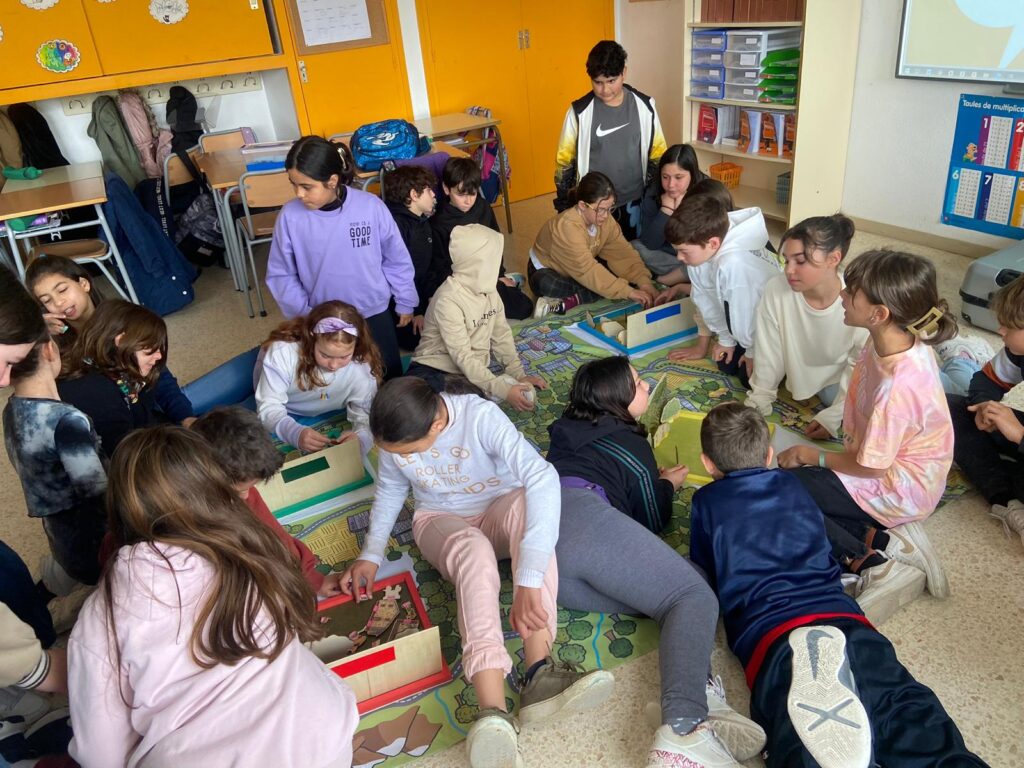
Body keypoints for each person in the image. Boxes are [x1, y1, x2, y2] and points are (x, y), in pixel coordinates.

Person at [690, 402, 986, 768]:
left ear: (707, 463)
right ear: (768, 455)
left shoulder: (704, 502)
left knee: (800, 740)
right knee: (904, 708)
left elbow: (704, 573)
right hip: (844, 617)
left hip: (773, 636)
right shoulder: (792, 483)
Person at [340, 377, 613, 768]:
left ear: (437, 425)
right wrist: (370, 554)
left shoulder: (481, 417)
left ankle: (540, 672)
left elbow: (541, 477)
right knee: (474, 551)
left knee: (528, 508)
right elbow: (389, 491)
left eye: (410, 452)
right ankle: (492, 711)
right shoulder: (396, 435)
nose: (404, 459)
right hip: (441, 519)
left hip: (500, 506)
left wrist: (528, 580)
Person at [67, 426, 359, 767]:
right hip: (324, 733)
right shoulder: (249, 546)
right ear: (215, 488)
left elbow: (100, 754)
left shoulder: (102, 614)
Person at [546, 357, 766, 767]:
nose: (646, 385)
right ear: (618, 398)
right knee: (693, 597)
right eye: (637, 382)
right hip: (578, 526)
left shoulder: (568, 426)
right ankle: (684, 726)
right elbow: (651, 519)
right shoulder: (629, 444)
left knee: (687, 586)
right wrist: (665, 483)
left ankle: (697, 689)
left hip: (550, 570)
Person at [777, 249, 955, 609]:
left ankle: (870, 563)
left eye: (851, 292)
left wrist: (811, 455)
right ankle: (888, 540)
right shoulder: (892, 340)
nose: (842, 294)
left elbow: (872, 467)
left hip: (897, 487)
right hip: (894, 470)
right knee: (800, 491)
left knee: (779, 492)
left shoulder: (897, 387)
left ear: (879, 314)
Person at [265, 135, 418, 380]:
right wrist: (306, 315)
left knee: (388, 378)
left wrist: (405, 299)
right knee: (334, 380)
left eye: (307, 186)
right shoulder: (290, 216)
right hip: (322, 320)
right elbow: (281, 274)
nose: (299, 194)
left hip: (373, 313)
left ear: (332, 181)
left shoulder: (371, 206)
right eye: (294, 184)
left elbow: (396, 258)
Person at [26, 255, 195, 426]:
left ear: (84, 284)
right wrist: (38, 337)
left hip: (149, 411)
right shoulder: (52, 347)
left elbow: (159, 377)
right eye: (47, 300)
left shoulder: (123, 320)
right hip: (120, 428)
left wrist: (185, 417)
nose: (58, 302)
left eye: (62, 290)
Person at [191, 406, 343, 596]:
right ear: (204, 476)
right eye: (240, 490)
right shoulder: (190, 510)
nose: (246, 496)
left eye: (251, 487)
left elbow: (274, 535)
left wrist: (310, 577)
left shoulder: (235, 483)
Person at [743, 214, 868, 438]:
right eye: (786, 260)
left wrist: (833, 416)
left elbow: (859, 366)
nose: (789, 270)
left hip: (840, 377)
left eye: (800, 261)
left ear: (834, 259)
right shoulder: (776, 289)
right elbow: (769, 351)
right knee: (746, 375)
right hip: (805, 377)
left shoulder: (857, 300)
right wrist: (758, 402)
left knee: (877, 403)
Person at [4, 329, 107, 592]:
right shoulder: (66, 420)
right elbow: (98, 494)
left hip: (59, 534)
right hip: (95, 543)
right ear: (50, 349)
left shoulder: (11, 410)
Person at [407, 224, 547, 412]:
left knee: (473, 402)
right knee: (429, 407)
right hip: (434, 368)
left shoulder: (490, 291)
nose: (496, 266)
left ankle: (481, 390)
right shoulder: (448, 300)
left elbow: (501, 336)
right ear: (475, 264)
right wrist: (503, 390)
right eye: (492, 260)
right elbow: (462, 356)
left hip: (466, 373)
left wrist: (518, 374)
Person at [554, 40, 667, 241]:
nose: (605, 90)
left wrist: (653, 196)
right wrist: (564, 204)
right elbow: (564, 163)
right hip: (593, 206)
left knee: (631, 251)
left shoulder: (645, 107)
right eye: (598, 82)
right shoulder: (579, 113)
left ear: (624, 72)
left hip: (633, 201)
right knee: (593, 254)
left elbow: (657, 156)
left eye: (611, 81)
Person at [664, 194, 780, 388]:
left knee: (750, 380)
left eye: (684, 251)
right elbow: (707, 299)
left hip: (771, 328)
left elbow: (746, 312)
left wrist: (752, 352)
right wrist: (726, 340)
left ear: (713, 244)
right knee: (726, 364)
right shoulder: (701, 254)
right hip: (744, 325)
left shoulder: (734, 265)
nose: (679, 257)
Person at [947, 274, 1024, 545]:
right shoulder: (1017, 351)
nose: (1001, 331)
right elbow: (988, 380)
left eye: (1009, 326)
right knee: (951, 409)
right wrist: (983, 405)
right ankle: (1006, 501)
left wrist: (1020, 435)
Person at [255, 300, 381, 455]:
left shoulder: (362, 367)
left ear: (356, 346)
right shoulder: (283, 352)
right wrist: (294, 433)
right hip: (285, 403)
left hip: (320, 405)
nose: (333, 365)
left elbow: (366, 414)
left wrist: (361, 438)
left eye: (344, 357)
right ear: (311, 338)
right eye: (325, 355)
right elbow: (268, 405)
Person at [530, 172, 658, 317]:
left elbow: (623, 254)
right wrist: (628, 291)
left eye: (610, 208)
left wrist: (644, 282)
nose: (606, 215)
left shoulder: (605, 220)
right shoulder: (567, 227)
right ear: (582, 205)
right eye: (601, 210)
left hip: (579, 269)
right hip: (549, 270)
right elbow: (587, 270)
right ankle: (572, 300)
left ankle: (572, 299)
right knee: (548, 283)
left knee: (611, 277)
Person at [56, 299, 167, 459]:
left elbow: (145, 415)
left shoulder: (112, 370)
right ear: (121, 341)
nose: (159, 356)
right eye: (150, 349)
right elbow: (128, 459)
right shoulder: (97, 395)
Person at [431, 157, 532, 320]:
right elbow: (439, 265)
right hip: (460, 284)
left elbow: (495, 244)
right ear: (446, 189)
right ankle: (509, 284)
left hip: (487, 277)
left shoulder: (482, 207)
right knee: (467, 318)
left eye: (473, 193)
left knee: (524, 308)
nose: (468, 201)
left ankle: (508, 281)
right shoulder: (439, 221)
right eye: (461, 194)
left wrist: (499, 274)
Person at [383, 164, 446, 350]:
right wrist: (417, 311)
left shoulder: (422, 220)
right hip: (400, 300)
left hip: (421, 291)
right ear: (414, 195)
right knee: (418, 339)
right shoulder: (397, 226)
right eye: (428, 190)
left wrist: (432, 296)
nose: (433, 195)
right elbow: (400, 274)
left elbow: (428, 266)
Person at [635, 144, 705, 289]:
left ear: (692, 174)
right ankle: (687, 276)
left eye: (679, 177)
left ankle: (673, 277)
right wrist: (666, 210)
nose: (671, 185)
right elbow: (650, 243)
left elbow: (705, 245)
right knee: (634, 247)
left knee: (705, 260)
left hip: (695, 254)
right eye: (665, 177)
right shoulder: (654, 191)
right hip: (667, 254)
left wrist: (681, 212)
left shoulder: (707, 191)